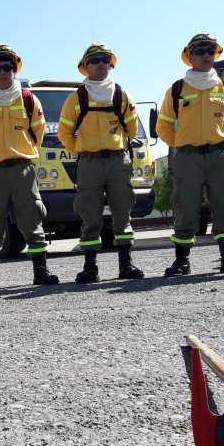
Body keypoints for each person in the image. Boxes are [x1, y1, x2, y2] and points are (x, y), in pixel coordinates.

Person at [156, 33, 224, 276]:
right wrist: (183, 144)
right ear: (190, 57)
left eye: (210, 50)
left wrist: (223, 137)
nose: (206, 55)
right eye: (200, 51)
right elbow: (163, 126)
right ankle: (182, 262)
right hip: (188, 158)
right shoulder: (177, 89)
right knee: (186, 208)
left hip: (219, 155)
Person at [0, 44, 59, 290]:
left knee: (31, 219)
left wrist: (22, 153)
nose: (3, 71)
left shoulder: (29, 99)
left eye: (8, 67)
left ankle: (41, 271)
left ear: (15, 69)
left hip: (22, 169)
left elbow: (37, 133)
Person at [58, 42, 145, 283]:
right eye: (95, 60)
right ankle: (90, 268)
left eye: (105, 59)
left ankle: (126, 265)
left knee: (122, 213)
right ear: (85, 67)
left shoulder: (121, 94)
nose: (101, 64)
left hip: (118, 161)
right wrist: (84, 151)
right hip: (89, 164)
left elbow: (132, 128)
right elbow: (65, 133)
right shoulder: (76, 98)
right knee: (90, 215)